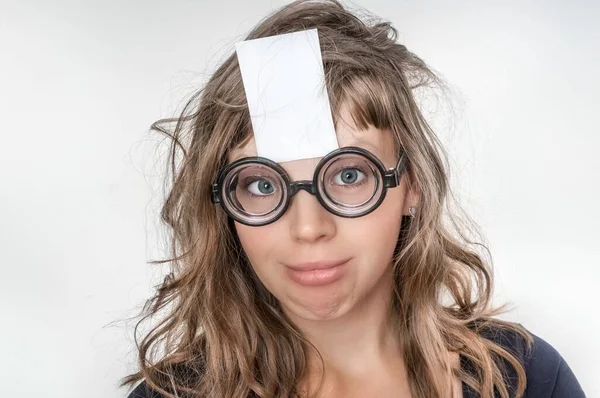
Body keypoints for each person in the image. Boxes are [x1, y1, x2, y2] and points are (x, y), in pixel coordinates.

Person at [121, 1, 586, 397]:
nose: (308, 227)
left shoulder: (522, 378)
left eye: (347, 175)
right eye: (262, 185)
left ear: (412, 185)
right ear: (225, 206)